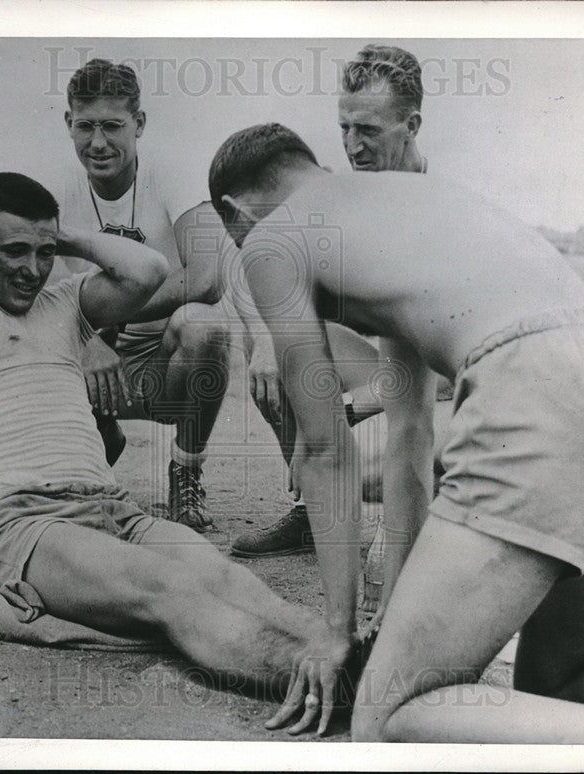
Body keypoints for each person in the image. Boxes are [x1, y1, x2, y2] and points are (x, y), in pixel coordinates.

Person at [207, 124, 584, 744]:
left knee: (391, 718)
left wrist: (334, 630)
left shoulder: (271, 238)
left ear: (235, 211)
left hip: (542, 388)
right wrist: (398, 618)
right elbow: (408, 437)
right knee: (560, 680)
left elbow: (326, 450)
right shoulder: (398, 204)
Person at [0, 172, 326, 698]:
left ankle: (347, 659)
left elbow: (149, 270)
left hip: (116, 509)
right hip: (29, 522)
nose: (33, 270)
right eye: (15, 251)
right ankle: (315, 684)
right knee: (167, 590)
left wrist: (62, 237)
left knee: (226, 578)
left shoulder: (64, 304)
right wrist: (9, 219)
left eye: (44, 253)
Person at [231, 44, 439, 560]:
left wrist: (342, 410)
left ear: (411, 124)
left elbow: (451, 374)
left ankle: (419, 526)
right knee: (278, 346)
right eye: (345, 128)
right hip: (387, 377)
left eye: (368, 131)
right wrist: (270, 343)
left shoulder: (440, 212)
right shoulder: (353, 193)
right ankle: (313, 513)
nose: (352, 146)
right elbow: (271, 270)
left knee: (366, 467)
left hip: (446, 397)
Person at [57, 58, 231, 532]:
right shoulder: (52, 188)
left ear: (140, 123)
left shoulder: (172, 172)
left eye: (113, 126)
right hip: (92, 357)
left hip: (163, 364)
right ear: (68, 123)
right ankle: (94, 445)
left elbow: (207, 279)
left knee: (205, 326)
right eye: (85, 126)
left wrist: (106, 313)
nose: (98, 142)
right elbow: (23, 288)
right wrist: (86, 336)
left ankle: (186, 471)